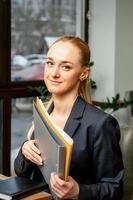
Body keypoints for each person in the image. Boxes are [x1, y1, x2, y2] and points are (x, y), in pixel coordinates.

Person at [14, 36, 124, 200]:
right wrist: (25, 152)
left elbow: (115, 190)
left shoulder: (100, 124)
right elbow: (22, 172)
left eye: (65, 67)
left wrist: (78, 191)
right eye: (50, 63)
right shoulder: (44, 113)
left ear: (83, 74)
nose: (54, 73)